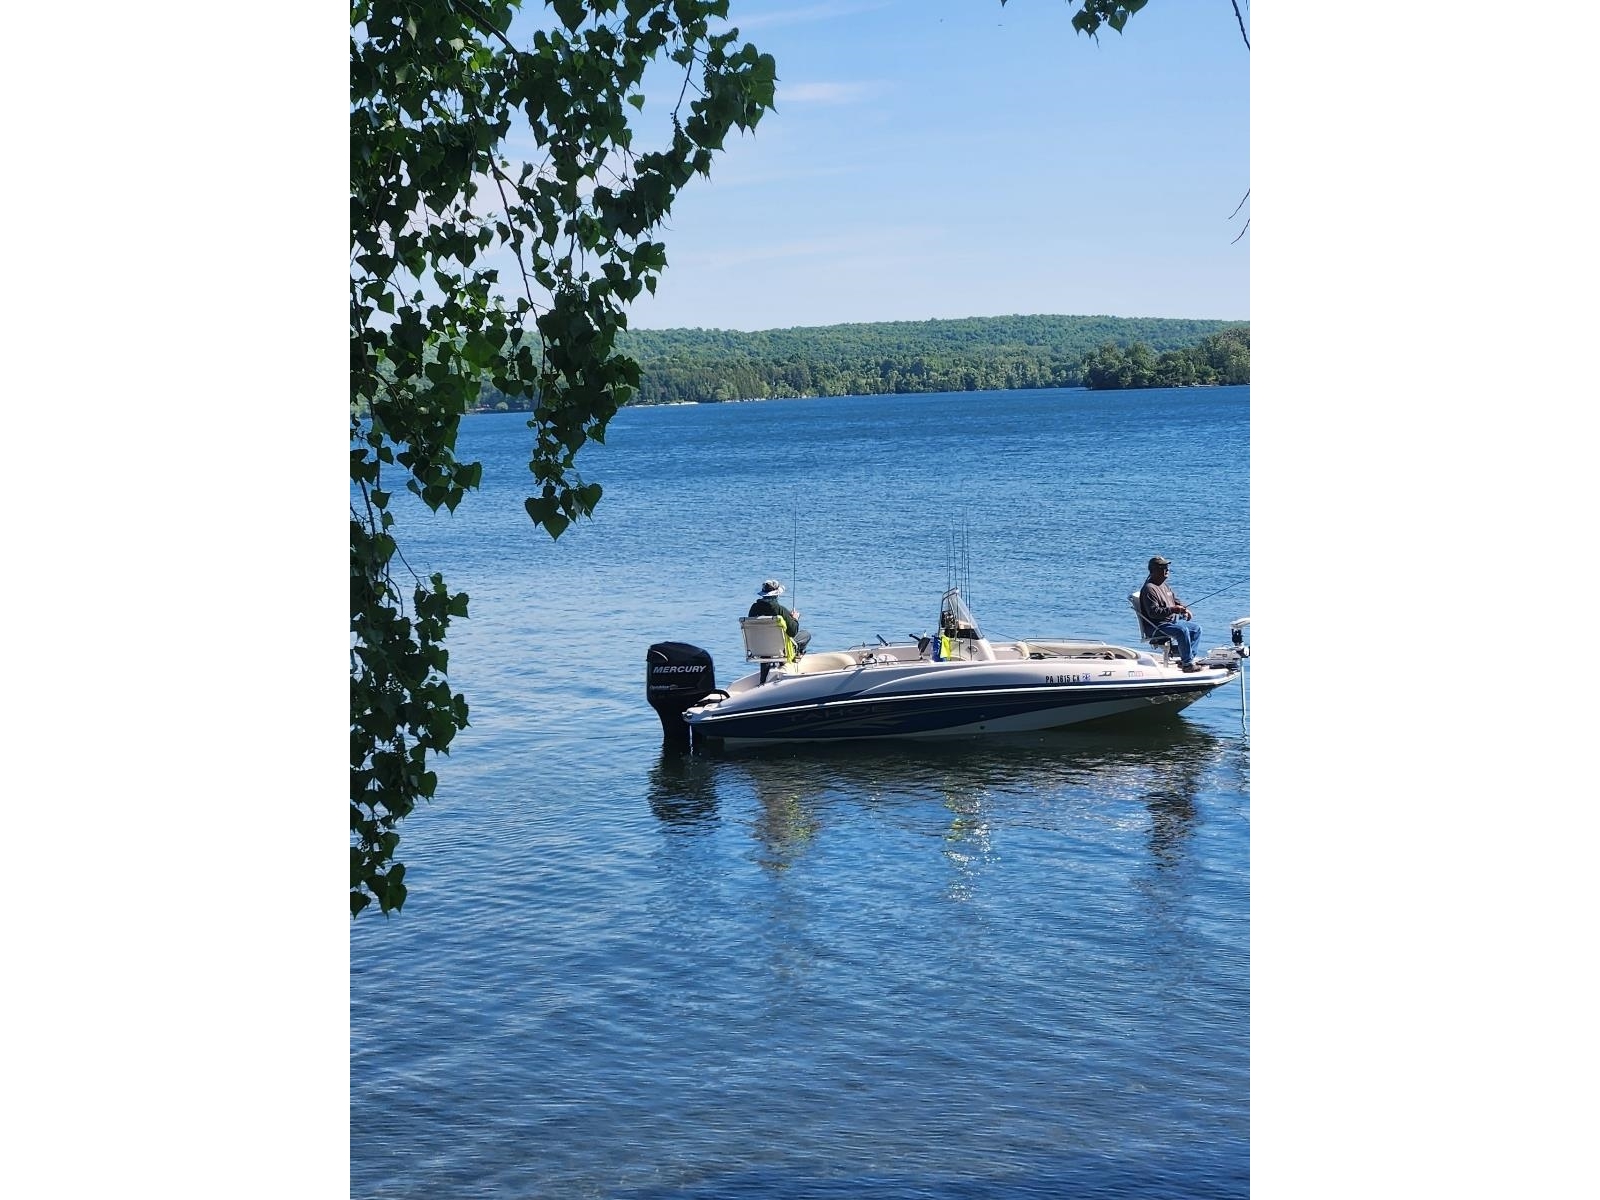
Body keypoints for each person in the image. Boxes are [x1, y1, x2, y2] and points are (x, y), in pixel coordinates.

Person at [1138, 555, 1205, 672]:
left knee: (1196, 629)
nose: (1167, 570)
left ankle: (1186, 659)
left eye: (1167, 567)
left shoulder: (1164, 586)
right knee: (1181, 631)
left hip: (1171, 623)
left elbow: (1176, 601)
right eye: (1163, 567)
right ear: (1154, 570)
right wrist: (1174, 610)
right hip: (1157, 626)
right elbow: (1154, 613)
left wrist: (1184, 609)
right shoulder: (1149, 589)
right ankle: (1188, 665)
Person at [748, 579, 811, 679]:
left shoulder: (753, 608)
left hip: (760, 648)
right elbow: (793, 631)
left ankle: (764, 678)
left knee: (767, 641)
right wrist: (795, 619)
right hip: (781, 648)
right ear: (776, 594)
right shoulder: (780, 610)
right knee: (806, 634)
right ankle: (788, 665)